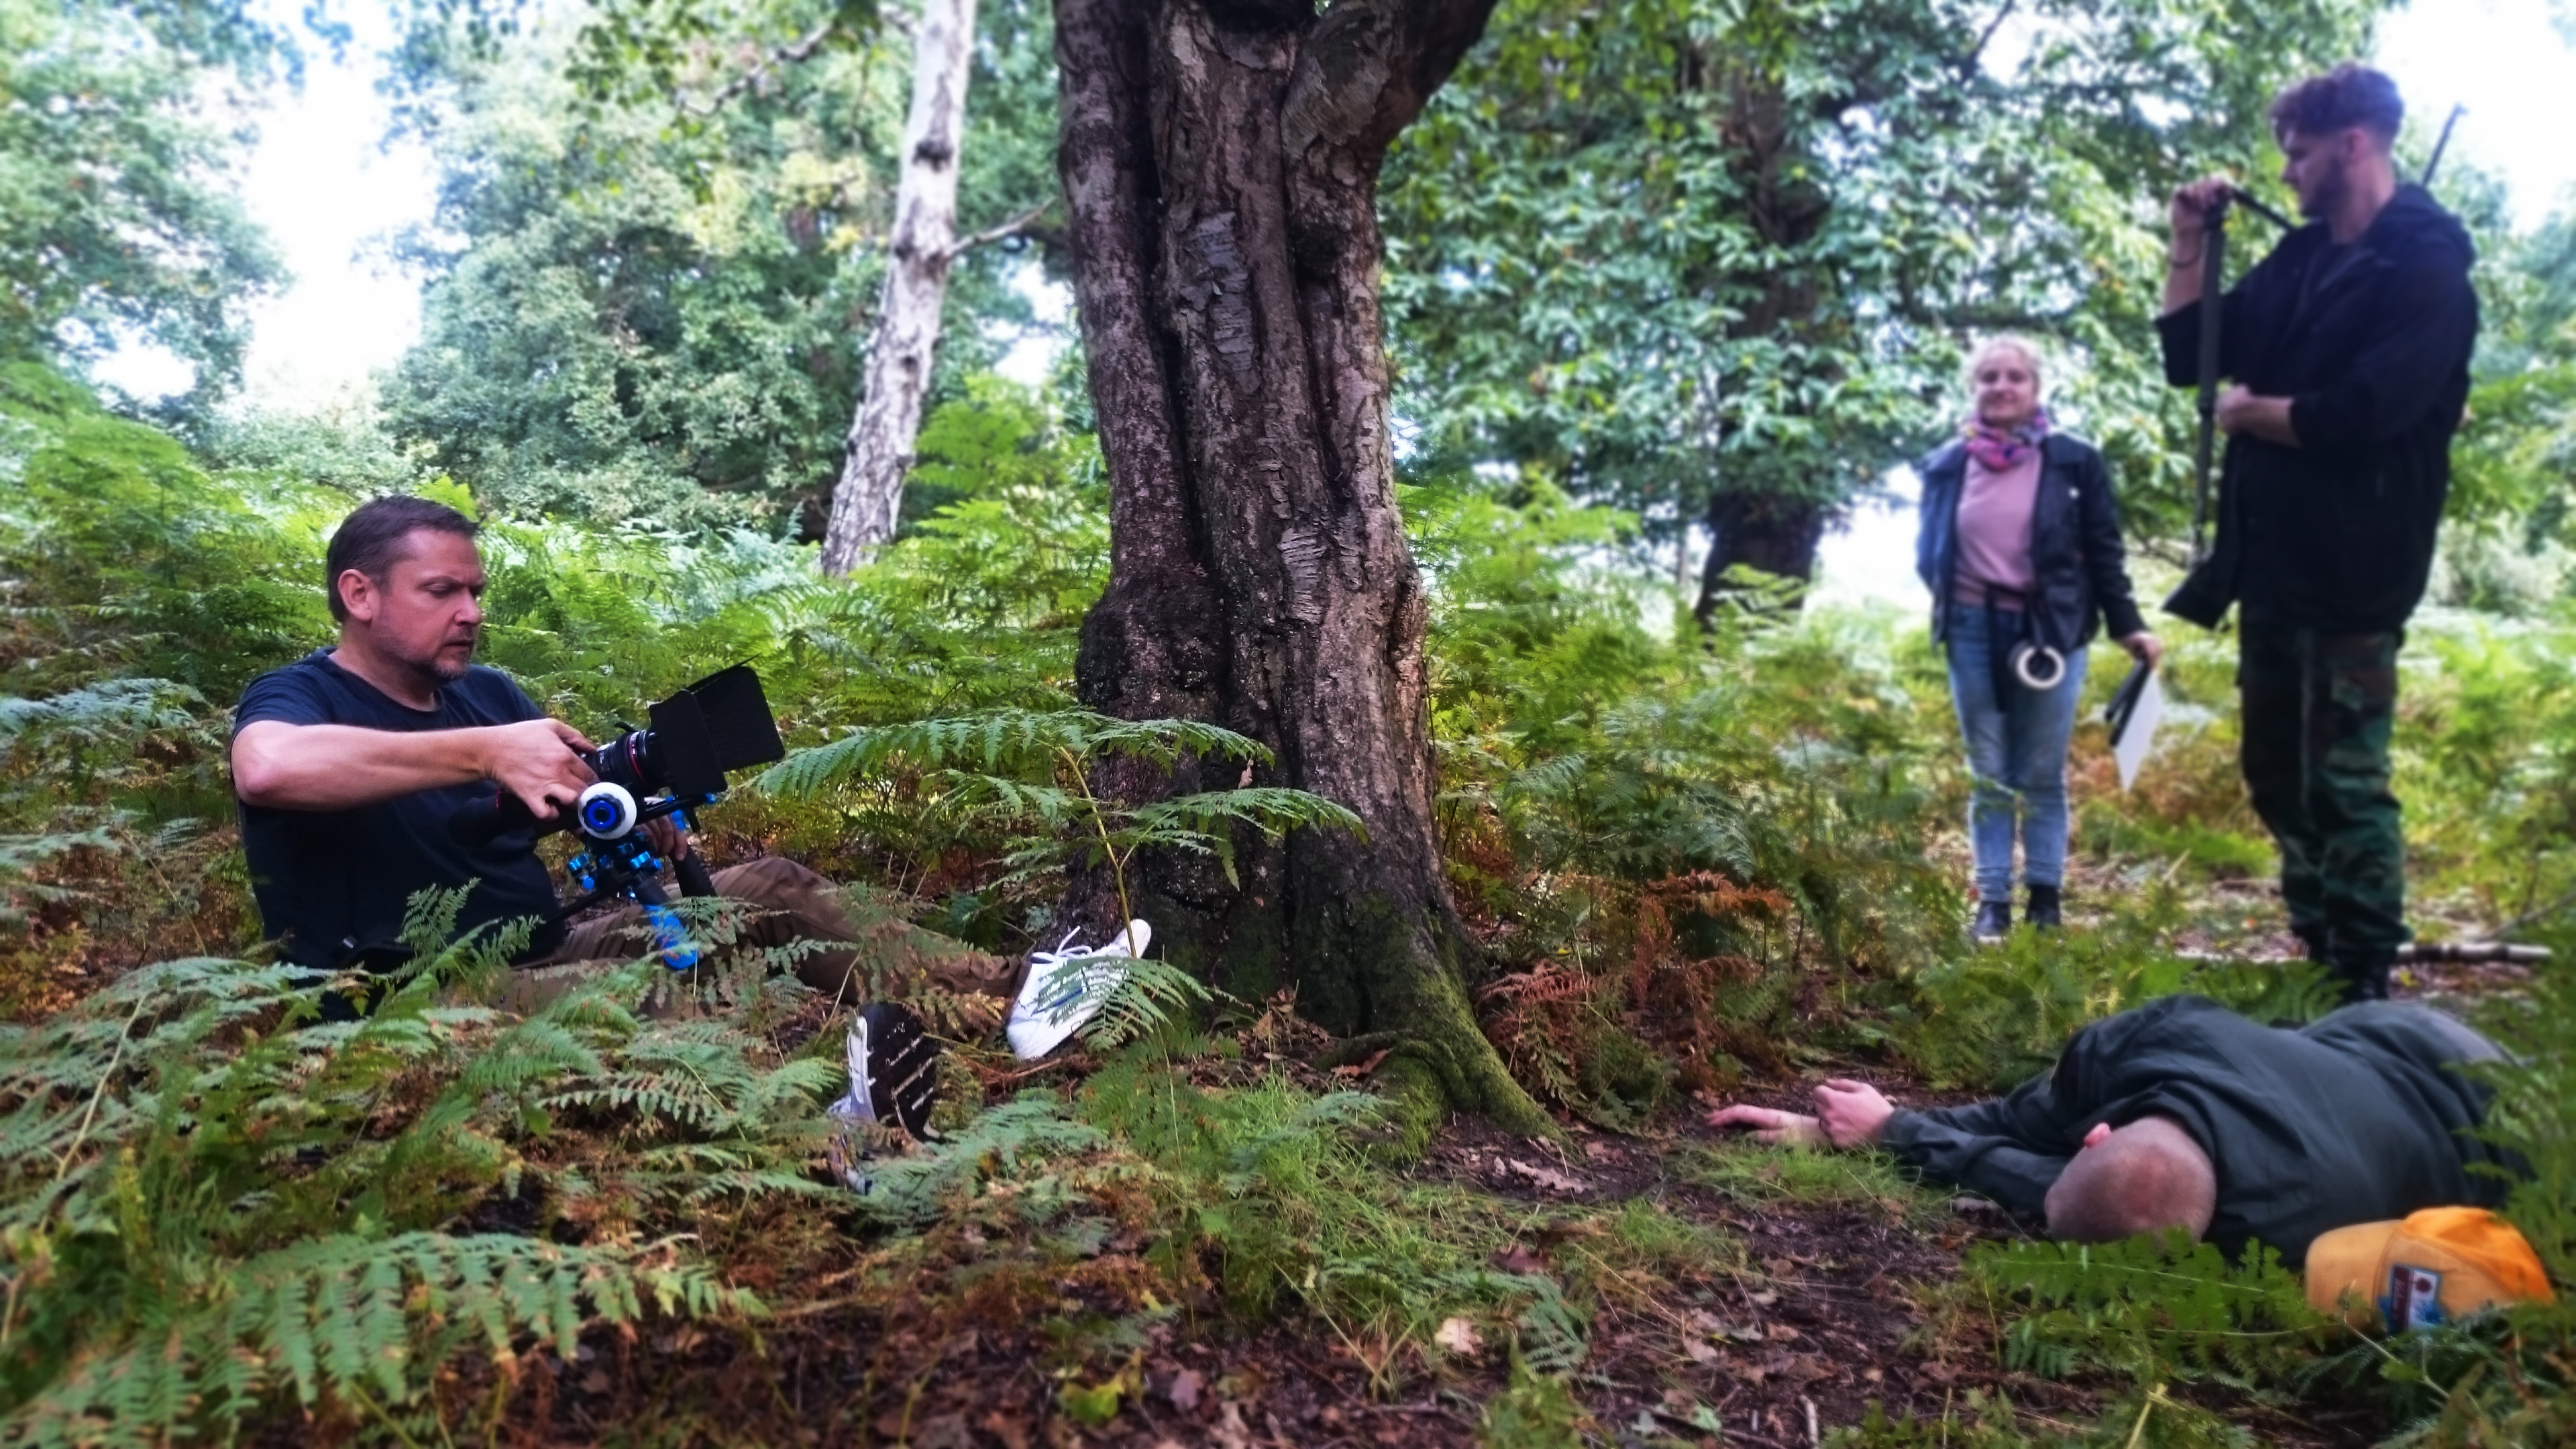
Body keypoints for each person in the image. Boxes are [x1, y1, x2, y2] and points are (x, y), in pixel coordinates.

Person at [229, 496, 1018, 1075]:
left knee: (774, 885)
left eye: (476, 593)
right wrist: (482, 754)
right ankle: (838, 1130)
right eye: (442, 592)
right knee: (662, 1003)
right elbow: (268, 769)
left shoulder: (489, 693)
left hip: (541, 949)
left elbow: (557, 792)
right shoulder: (301, 697)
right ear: (360, 595)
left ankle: (1016, 1005)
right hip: (408, 999)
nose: (470, 613)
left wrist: (630, 815)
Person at [2157, 64, 2480, 1002]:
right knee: (2272, 769)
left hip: (2360, 570)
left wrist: (2257, 415)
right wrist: (2187, 240)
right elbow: (2194, 355)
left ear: (2354, 145)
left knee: (2344, 775)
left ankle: (2364, 974)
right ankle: (2320, 942)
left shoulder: (2427, 266)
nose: (2287, 173)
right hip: (2273, 562)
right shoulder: (2303, 260)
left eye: (2298, 155)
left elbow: (2367, 410)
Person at [1705, 995, 2518, 1267]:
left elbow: (2043, 1179)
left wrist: (1897, 1138)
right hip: (2404, 1056)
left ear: (2092, 1139)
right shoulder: (2130, 1049)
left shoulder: (2274, 1244)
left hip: (2472, 1085)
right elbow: (2014, 1126)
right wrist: (1883, 1127)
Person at [1915, 337, 2161, 940]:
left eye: (2015, 377)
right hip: (1972, 630)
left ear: (2035, 388)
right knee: (1991, 771)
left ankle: (2045, 901)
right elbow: (1929, 552)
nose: (2001, 386)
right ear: (1975, 388)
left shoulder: (2074, 461)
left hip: (2052, 630)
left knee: (2042, 772)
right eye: (1989, 377)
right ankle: (1992, 903)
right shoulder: (1948, 463)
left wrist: (2128, 624)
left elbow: (2104, 551)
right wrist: (1963, 602)